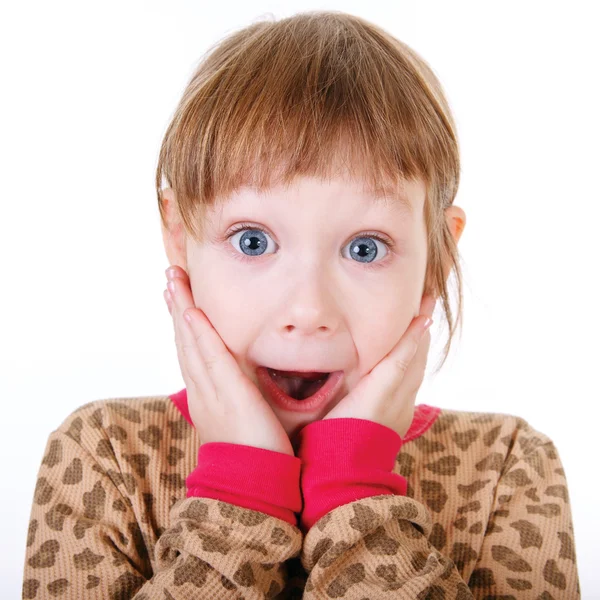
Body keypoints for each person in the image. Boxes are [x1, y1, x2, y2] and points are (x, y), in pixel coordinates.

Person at [22, 10, 581, 599]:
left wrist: (358, 495)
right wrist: (240, 494)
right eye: (253, 241)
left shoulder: (504, 468)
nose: (309, 309)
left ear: (437, 257)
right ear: (179, 235)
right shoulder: (105, 455)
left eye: (365, 248)